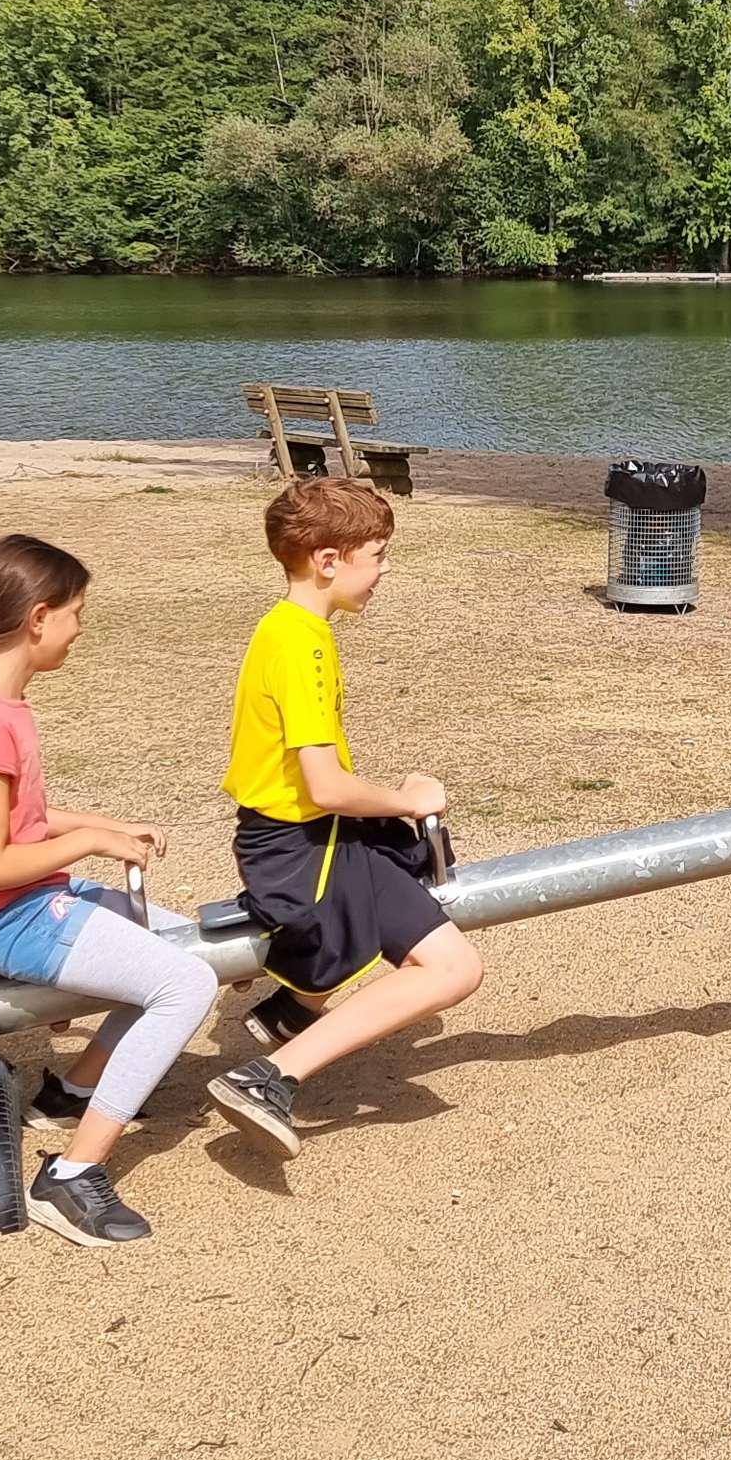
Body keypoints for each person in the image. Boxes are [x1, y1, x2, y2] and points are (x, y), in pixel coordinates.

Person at [0, 534, 219, 1249]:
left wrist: (107, 823)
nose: (80, 628)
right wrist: (89, 844)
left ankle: (70, 1092)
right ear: (38, 618)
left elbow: (19, 820)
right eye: (75, 613)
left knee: (173, 946)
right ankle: (72, 1177)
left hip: (27, 900)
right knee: (185, 984)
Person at [204, 477, 485, 1155]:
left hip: (310, 835)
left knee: (438, 936)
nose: (384, 571)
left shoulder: (291, 629)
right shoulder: (301, 644)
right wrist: (407, 799)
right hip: (300, 847)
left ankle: (290, 1011)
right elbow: (325, 785)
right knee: (452, 968)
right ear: (329, 560)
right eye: (378, 555)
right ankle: (268, 1076)